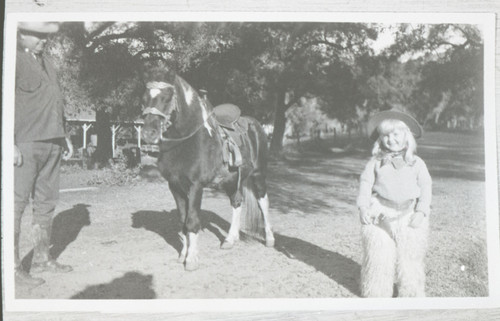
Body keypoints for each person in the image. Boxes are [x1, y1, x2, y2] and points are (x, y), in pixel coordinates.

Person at [14, 21, 74, 287]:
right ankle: (12, 267)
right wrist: (8, 143)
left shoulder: (48, 63)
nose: (43, 40)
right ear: (19, 34)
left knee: (46, 202)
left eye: (46, 36)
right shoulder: (11, 60)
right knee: (15, 205)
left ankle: (41, 258)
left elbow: (56, 102)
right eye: (37, 35)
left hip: (53, 142)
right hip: (25, 143)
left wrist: (65, 136)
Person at [357, 110, 432, 297]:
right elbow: (365, 183)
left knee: (410, 259)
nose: (391, 139)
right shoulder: (376, 162)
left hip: (409, 214)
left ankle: (411, 293)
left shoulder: (417, 163)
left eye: (396, 134)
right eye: (385, 136)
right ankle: (377, 293)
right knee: (378, 257)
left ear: (406, 136)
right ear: (380, 140)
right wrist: (363, 207)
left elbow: (426, 186)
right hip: (380, 214)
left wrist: (421, 212)